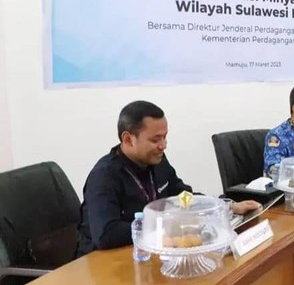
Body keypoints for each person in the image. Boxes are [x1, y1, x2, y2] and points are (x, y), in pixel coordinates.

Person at [77, 101, 261, 257]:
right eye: (155, 139)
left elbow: (182, 195)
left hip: (149, 252)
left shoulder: (157, 161)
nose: (163, 145)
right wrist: (163, 227)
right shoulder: (104, 176)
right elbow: (106, 235)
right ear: (128, 139)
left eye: (165, 137)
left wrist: (227, 206)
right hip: (104, 264)